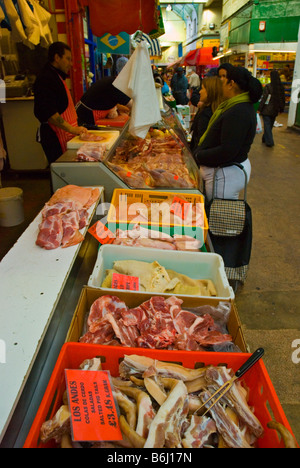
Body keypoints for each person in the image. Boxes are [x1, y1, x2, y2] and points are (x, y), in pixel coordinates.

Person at [193, 66, 263, 202]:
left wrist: (198, 155)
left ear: (231, 84)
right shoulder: (234, 106)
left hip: (226, 175)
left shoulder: (239, 111)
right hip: (224, 173)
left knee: (218, 216)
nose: (220, 81)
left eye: (223, 78)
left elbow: (228, 150)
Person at [34, 41, 88, 164]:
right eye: (68, 59)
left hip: (64, 134)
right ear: (57, 58)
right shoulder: (46, 79)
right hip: (54, 136)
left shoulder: (57, 76)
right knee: (61, 171)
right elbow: (50, 114)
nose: (70, 63)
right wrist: (71, 129)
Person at [76, 58, 132, 126]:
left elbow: (107, 99)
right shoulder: (116, 85)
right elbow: (133, 105)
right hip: (86, 118)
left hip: (89, 115)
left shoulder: (113, 81)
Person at [190, 76, 224, 152]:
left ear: (210, 91)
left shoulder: (206, 114)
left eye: (202, 88)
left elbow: (201, 142)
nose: (199, 92)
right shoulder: (219, 110)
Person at [258, 70, 286, 148]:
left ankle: (270, 142)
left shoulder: (268, 86)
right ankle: (264, 139)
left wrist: (259, 108)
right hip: (275, 109)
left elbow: (264, 98)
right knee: (269, 125)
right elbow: (282, 99)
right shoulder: (281, 87)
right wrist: (281, 109)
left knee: (267, 125)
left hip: (267, 109)